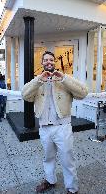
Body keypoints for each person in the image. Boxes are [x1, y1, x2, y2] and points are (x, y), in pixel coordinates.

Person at [22, 51, 88, 194]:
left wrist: (63, 78)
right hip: (44, 127)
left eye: (51, 60)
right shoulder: (38, 81)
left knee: (67, 159)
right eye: (45, 60)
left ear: (55, 62)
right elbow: (25, 95)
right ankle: (50, 180)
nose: (48, 62)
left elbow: (83, 92)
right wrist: (39, 79)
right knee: (48, 157)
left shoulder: (64, 79)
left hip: (62, 127)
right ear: (42, 63)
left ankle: (72, 189)